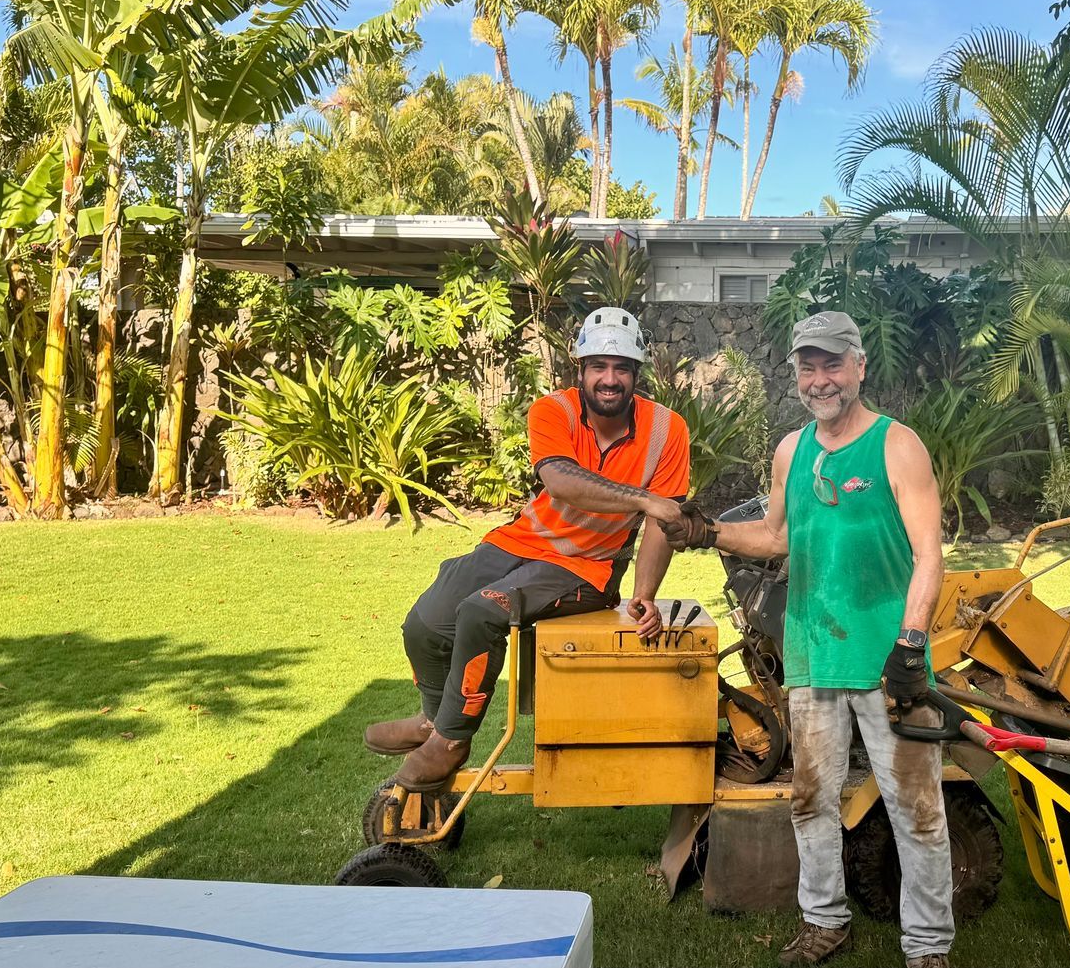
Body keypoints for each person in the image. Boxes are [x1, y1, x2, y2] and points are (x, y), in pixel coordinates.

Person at [671, 311, 953, 968]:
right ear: (796, 373)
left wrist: (910, 644)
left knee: (916, 810)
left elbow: (929, 553)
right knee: (811, 800)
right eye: (808, 365)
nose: (820, 378)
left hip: (889, 662)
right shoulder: (792, 451)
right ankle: (825, 921)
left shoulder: (896, 445)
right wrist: (707, 531)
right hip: (812, 653)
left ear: (859, 366)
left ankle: (929, 946)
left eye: (833, 363)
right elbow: (774, 538)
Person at [364, 307, 690, 793]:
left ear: (636, 374)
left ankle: (451, 741)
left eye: (621, 368)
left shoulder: (668, 430)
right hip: (519, 542)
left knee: (481, 613)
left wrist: (644, 592)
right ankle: (434, 720)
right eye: (598, 366)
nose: (609, 379)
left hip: (588, 568)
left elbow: (662, 527)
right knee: (425, 622)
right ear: (579, 370)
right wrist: (645, 499)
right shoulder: (552, 410)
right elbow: (560, 481)